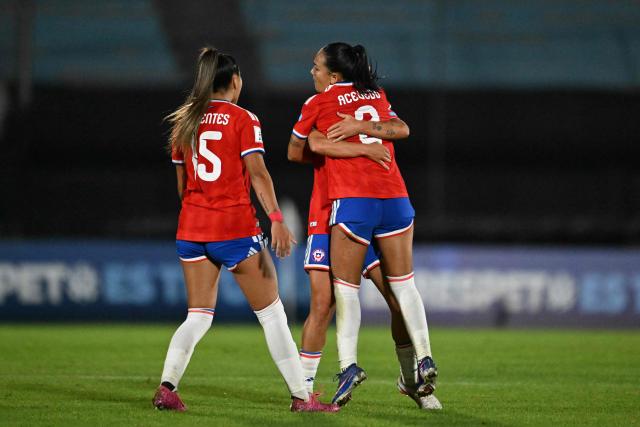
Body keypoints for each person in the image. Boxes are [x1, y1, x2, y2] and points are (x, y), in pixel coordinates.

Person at [151, 47, 339, 413]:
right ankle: (302, 397)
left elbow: (182, 186)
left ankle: (166, 387)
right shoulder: (243, 119)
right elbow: (258, 173)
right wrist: (277, 218)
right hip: (234, 229)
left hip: (192, 228)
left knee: (198, 316)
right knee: (272, 315)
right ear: (235, 82)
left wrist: (199, 211)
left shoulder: (184, 121)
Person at [289, 42, 441, 408]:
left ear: (334, 75)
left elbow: (395, 128)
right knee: (323, 301)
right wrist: (363, 145)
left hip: (355, 207)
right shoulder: (352, 100)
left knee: (387, 298)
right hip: (329, 211)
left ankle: (412, 381)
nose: (312, 72)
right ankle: (304, 392)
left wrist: (355, 132)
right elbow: (301, 149)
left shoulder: (333, 101)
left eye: (316, 67)